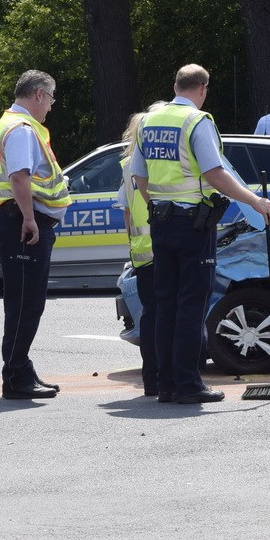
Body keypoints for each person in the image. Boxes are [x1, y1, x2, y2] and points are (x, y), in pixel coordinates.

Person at [130, 64, 270, 404]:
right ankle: (189, 384)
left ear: (176, 86)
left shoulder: (148, 122)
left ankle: (166, 383)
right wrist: (255, 202)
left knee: (166, 303)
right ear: (203, 89)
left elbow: (139, 177)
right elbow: (215, 173)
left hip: (161, 223)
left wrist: (159, 206)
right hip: (192, 225)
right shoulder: (197, 121)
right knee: (191, 305)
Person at [0, 70, 71, 400]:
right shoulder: (22, 129)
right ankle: (16, 375)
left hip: (15, 223)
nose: (50, 106)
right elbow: (19, 177)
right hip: (21, 225)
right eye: (50, 99)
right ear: (38, 94)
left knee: (25, 303)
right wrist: (30, 219)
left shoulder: (12, 123)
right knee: (25, 305)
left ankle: (20, 369)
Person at [115, 106, 163, 396]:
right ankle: (172, 376)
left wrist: (134, 246)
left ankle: (152, 379)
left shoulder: (128, 165)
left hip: (143, 252)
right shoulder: (159, 161)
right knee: (172, 314)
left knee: (150, 315)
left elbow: (127, 213)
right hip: (167, 248)